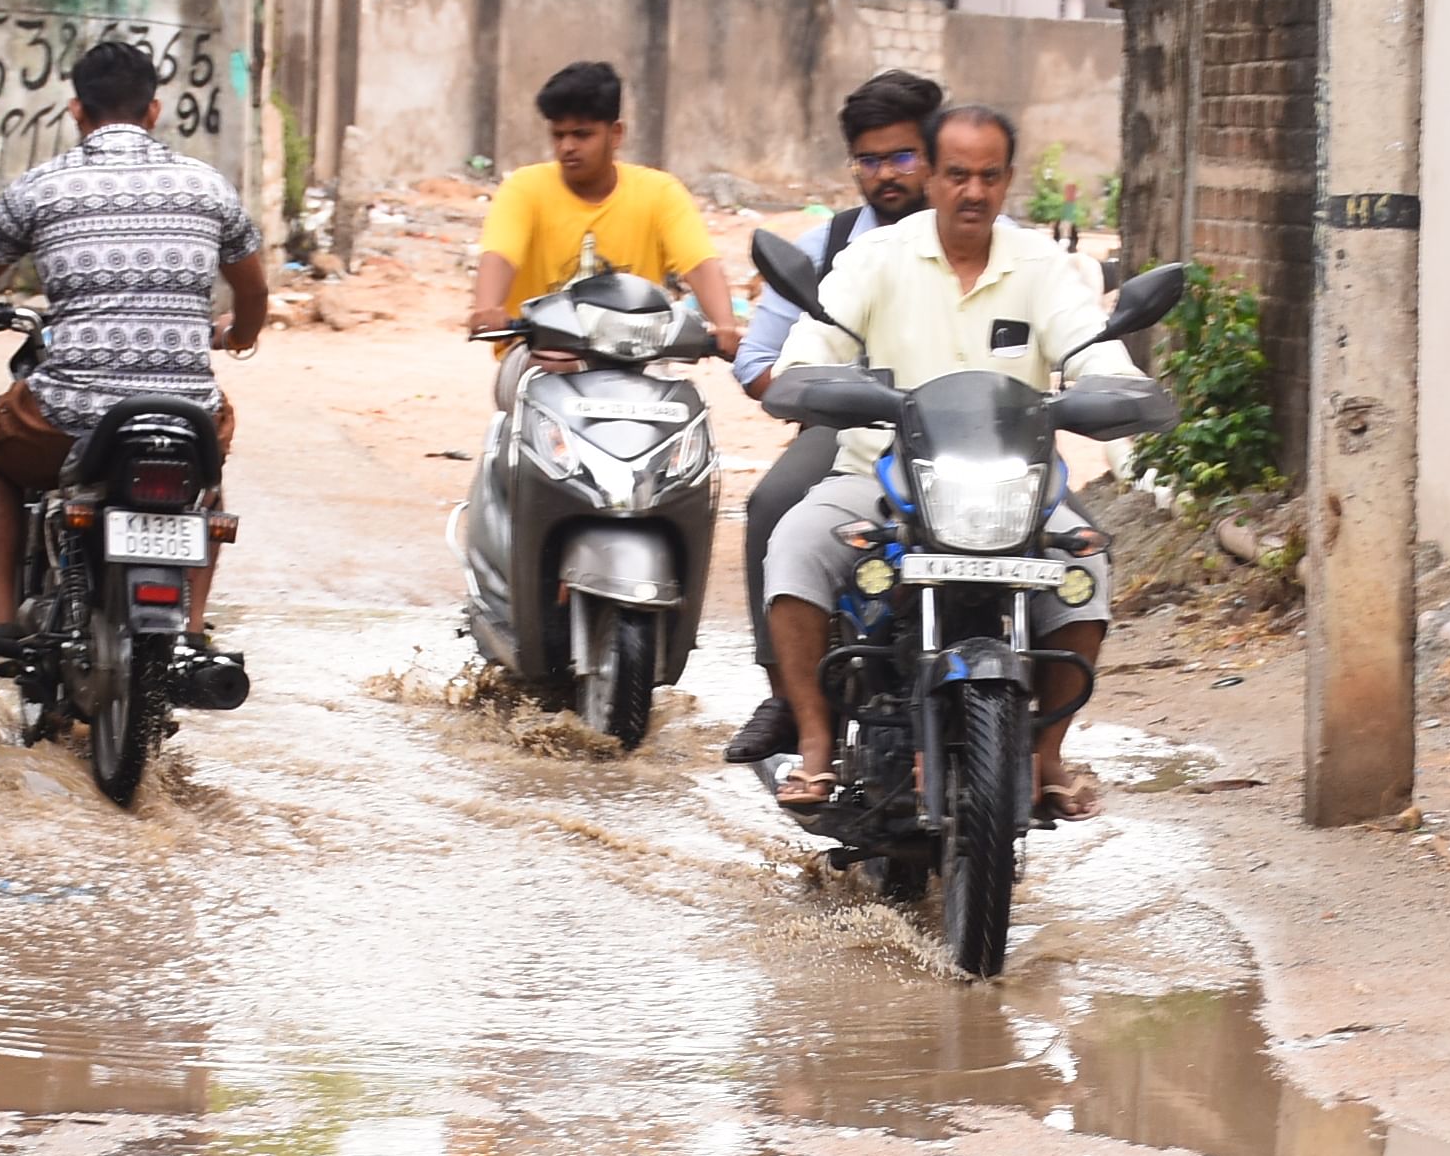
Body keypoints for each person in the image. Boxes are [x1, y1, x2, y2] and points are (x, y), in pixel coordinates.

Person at [759, 101, 1141, 821]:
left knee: (1087, 567)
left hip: (1011, 488)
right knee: (795, 546)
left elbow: (1089, 344)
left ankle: (1048, 753)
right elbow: (818, 340)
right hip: (880, 476)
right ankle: (813, 745)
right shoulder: (878, 258)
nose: (973, 192)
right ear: (931, 176)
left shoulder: (1040, 265)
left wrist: (1116, 384)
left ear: (1008, 181)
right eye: (957, 174)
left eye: (989, 176)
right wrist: (812, 375)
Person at [0, 38, 270, 665]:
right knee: (203, 481)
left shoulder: (39, 188)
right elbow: (254, 288)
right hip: (182, 410)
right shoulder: (209, 187)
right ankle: (190, 629)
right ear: (154, 111)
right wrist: (240, 336)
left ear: (76, 111)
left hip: (70, 414)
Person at [721, 66, 940, 766]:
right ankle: (787, 693)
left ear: (933, 154)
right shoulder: (830, 246)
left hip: (970, 436)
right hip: (852, 431)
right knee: (774, 504)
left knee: (1066, 544)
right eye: (869, 160)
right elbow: (756, 358)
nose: (886, 175)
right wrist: (809, 393)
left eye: (902, 156)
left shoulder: (986, 236)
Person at [467, 59, 742, 346]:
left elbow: (698, 264)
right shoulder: (524, 189)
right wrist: (487, 309)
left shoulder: (660, 193)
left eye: (582, 134)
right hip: (539, 355)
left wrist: (724, 325)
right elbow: (500, 255)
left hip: (636, 356)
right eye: (558, 135)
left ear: (616, 134)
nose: (567, 147)